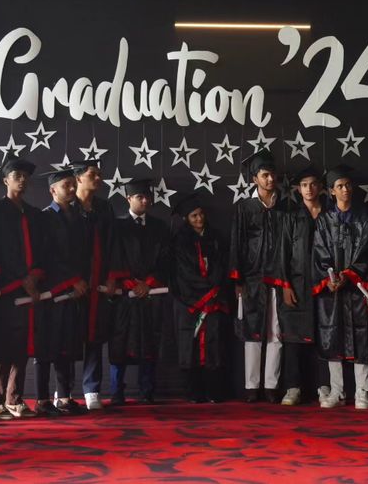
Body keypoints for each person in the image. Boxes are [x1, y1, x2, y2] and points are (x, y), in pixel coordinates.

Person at [311, 166, 368, 409]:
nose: (345, 189)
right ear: (331, 191)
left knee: (362, 338)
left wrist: (349, 274)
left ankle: (362, 391)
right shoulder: (324, 220)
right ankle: (337, 391)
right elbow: (319, 251)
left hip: (357, 287)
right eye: (340, 186)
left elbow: (367, 250)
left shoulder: (364, 218)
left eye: (348, 185)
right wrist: (329, 278)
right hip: (332, 290)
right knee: (332, 337)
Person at [229, 150, 292, 403]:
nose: (270, 179)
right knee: (252, 330)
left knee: (276, 330)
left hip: (277, 276)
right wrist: (238, 280)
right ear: (255, 179)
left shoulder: (285, 208)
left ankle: (271, 385)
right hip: (252, 278)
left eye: (272, 174)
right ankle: (252, 386)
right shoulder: (244, 208)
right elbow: (237, 244)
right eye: (265, 175)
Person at [0, 155, 43, 421]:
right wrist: (20, 277)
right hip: (5, 287)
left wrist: (34, 276)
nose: (22, 180)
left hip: (29, 288)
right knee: (1, 343)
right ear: (5, 180)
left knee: (21, 344)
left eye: (25, 177)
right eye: (17, 176)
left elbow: (41, 251)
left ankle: (14, 398)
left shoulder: (33, 214)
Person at [107, 179, 171, 404]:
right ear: (128, 199)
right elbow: (113, 257)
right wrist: (128, 282)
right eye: (140, 197)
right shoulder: (117, 226)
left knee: (149, 341)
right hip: (124, 296)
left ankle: (147, 391)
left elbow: (166, 259)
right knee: (120, 343)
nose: (145, 201)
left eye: (147, 197)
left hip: (151, 295)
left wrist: (149, 283)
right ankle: (117, 391)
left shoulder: (160, 227)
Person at [34, 167, 89, 416]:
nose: (72, 189)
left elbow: (83, 254)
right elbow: (48, 256)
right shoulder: (45, 218)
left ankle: (65, 397)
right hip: (52, 290)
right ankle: (42, 399)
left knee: (67, 344)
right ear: (52, 190)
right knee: (47, 346)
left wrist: (81, 280)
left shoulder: (78, 217)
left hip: (74, 292)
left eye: (73, 184)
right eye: (66, 185)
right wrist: (72, 280)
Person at [170, 193, 229, 403]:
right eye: (194, 215)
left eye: (201, 214)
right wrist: (204, 293)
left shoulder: (216, 238)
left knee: (214, 345)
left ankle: (214, 391)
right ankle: (194, 392)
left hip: (214, 300)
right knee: (191, 346)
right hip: (189, 302)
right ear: (186, 218)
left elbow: (221, 266)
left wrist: (213, 290)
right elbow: (183, 273)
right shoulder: (179, 241)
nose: (199, 219)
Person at [71, 159, 116, 411]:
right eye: (92, 174)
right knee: (69, 336)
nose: (98, 178)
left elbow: (112, 245)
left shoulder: (104, 208)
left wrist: (111, 277)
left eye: (99, 174)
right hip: (73, 283)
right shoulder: (68, 206)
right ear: (78, 178)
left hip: (99, 282)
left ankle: (92, 389)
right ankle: (63, 390)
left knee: (95, 336)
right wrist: (72, 279)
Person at [279, 167, 322, 406]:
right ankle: (293, 387)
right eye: (304, 185)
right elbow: (283, 252)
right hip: (297, 283)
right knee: (294, 339)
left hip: (324, 285)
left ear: (320, 187)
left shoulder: (329, 215)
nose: (309, 189)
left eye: (313, 184)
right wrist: (286, 285)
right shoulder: (291, 217)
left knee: (324, 336)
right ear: (298, 189)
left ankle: (324, 386)